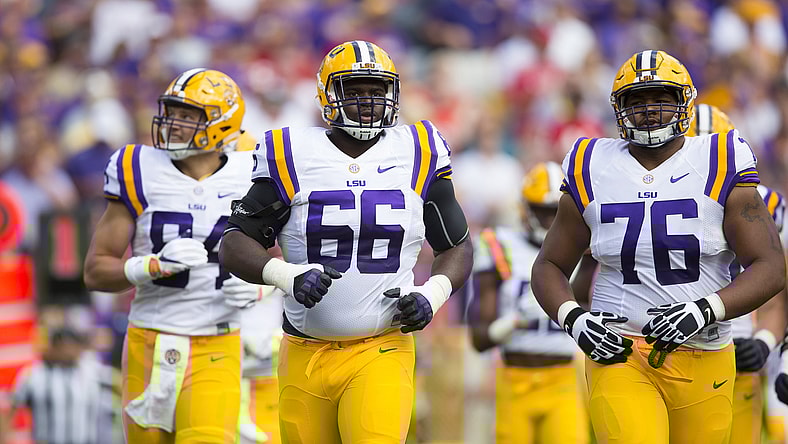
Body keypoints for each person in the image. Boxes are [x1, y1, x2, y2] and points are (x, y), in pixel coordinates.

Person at [219, 40, 473, 444]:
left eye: (377, 89)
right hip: (303, 350)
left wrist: (433, 294)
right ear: (327, 94)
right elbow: (234, 241)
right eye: (353, 90)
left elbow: (456, 245)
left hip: (381, 346)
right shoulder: (291, 153)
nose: (367, 100)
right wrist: (286, 275)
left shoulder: (418, 149)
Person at [531, 50, 786, 444]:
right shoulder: (591, 163)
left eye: (661, 98)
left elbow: (769, 265)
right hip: (619, 351)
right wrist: (574, 318)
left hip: (705, 349)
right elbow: (549, 264)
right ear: (619, 109)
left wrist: (705, 309)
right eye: (636, 100)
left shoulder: (720, 157)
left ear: (685, 101)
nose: (649, 110)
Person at [83, 68, 262, 444]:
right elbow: (96, 270)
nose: (172, 124)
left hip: (217, 341)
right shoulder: (138, 168)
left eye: (187, 115)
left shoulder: (252, 171)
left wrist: (263, 289)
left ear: (221, 123)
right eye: (171, 112)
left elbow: (283, 254)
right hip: (148, 340)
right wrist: (150, 266)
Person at [687, 103, 788, 444]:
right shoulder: (648, 200)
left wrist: (764, 342)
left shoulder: (767, 205)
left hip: (736, 349)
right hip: (669, 354)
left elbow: (780, 294)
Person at [469, 161, 589, 444]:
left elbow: (586, 304)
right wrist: (513, 321)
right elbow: (479, 339)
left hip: (563, 380)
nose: (549, 221)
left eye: (555, 211)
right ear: (525, 209)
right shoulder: (499, 244)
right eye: (542, 211)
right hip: (514, 380)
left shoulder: (582, 247)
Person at [4, 327, 116, 444]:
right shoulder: (33, 375)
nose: (68, 351)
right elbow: (12, 409)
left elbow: (121, 388)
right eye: (63, 346)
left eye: (73, 346)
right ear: (53, 348)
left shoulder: (93, 371)